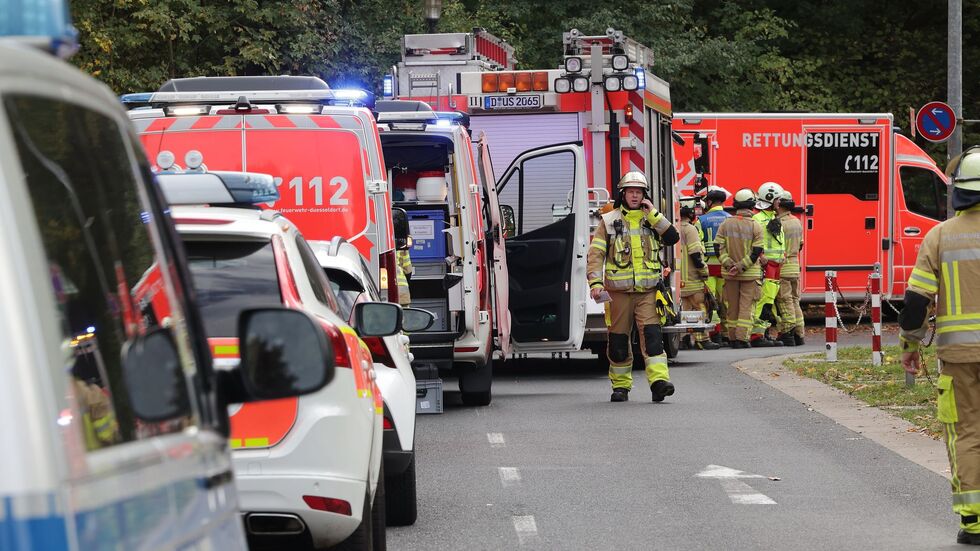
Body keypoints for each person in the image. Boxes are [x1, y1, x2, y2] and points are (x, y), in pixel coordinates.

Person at [900, 145, 980, 545]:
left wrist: (909, 345)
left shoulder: (940, 236)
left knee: (967, 434)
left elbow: (916, 303)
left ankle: (974, 521)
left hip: (959, 357)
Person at [587, 171, 680, 402]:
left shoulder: (653, 219)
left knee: (653, 337)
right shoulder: (609, 221)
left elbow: (672, 237)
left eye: (639, 192)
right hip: (618, 293)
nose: (635, 196)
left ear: (644, 195)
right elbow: (596, 255)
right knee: (618, 341)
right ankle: (620, 386)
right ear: (623, 194)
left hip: (648, 292)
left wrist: (654, 214)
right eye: (631, 192)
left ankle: (659, 383)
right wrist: (595, 283)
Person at [715, 188, 765, 349]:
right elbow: (756, 251)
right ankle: (742, 339)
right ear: (752, 205)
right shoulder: (756, 226)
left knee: (732, 307)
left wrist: (729, 265)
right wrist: (741, 266)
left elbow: (718, 247)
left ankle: (732, 338)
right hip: (749, 274)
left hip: (729, 274)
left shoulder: (725, 224)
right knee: (746, 307)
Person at [678, 195, 719, 350]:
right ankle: (703, 339)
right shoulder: (690, 229)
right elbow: (695, 254)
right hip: (693, 278)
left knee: (684, 309)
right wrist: (704, 271)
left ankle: (684, 339)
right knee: (699, 307)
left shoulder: (673, 228)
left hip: (679, 280)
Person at [750, 181, 786, 347]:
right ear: (770, 199)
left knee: (768, 301)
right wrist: (761, 256)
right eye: (778, 199)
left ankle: (762, 333)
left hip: (776, 266)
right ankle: (756, 336)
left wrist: (783, 255)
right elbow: (753, 241)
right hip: (766, 266)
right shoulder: (757, 219)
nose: (780, 202)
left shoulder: (773, 218)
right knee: (763, 301)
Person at [699, 186, 732, 344]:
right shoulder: (730, 219)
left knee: (710, 300)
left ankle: (714, 332)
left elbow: (698, 243)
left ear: (709, 202)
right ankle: (727, 332)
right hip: (726, 264)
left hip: (708, 265)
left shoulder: (702, 220)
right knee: (725, 300)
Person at [774, 190, 805, 346]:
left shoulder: (778, 223)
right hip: (794, 265)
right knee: (794, 300)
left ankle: (788, 333)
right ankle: (800, 334)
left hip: (783, 266)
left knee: (784, 301)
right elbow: (800, 245)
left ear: (779, 205)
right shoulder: (797, 221)